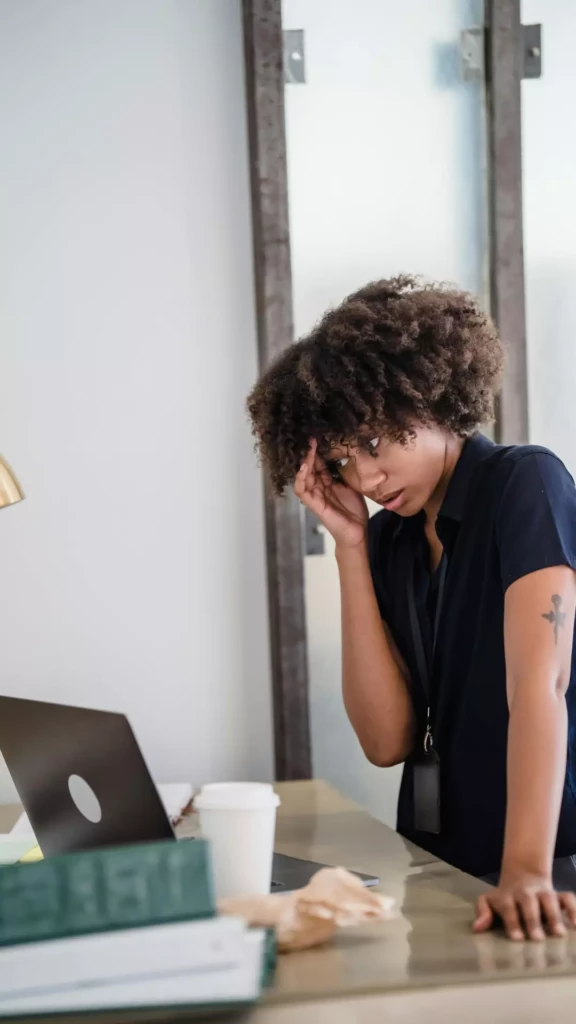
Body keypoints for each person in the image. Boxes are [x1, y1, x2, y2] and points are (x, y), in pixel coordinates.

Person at [247, 275, 576, 942]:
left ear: (424, 396)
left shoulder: (523, 483)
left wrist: (526, 870)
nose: (365, 479)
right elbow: (386, 739)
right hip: (443, 863)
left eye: (373, 444)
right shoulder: (388, 540)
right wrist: (347, 545)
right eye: (341, 462)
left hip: (548, 866)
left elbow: (540, 687)